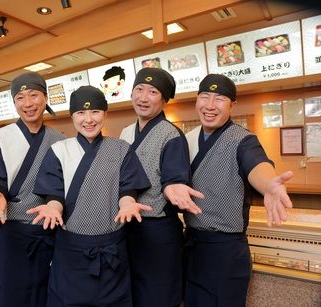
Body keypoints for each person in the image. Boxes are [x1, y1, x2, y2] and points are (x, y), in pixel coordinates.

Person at [28, 85, 152, 307]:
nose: (88, 119)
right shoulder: (59, 150)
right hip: (71, 252)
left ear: (105, 114)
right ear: (72, 116)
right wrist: (53, 208)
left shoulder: (122, 149)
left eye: (95, 111)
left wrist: (128, 203)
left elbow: (127, 189)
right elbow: (54, 194)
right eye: (81, 113)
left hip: (112, 249)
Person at [183, 73, 293, 307]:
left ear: (232, 105)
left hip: (226, 251)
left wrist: (269, 185)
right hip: (191, 247)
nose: (210, 106)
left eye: (220, 99)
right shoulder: (187, 139)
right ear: (197, 101)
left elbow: (257, 165)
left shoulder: (243, 140)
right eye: (205, 97)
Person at [0, 72, 65, 307]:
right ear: (14, 103)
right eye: (20, 98)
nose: (28, 103)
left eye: (34, 95)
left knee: (46, 291)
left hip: (50, 230)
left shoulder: (60, 140)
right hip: (13, 230)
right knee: (9, 292)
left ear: (45, 97)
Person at [120, 67, 203, 307]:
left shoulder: (171, 135)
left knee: (158, 296)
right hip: (127, 227)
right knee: (131, 292)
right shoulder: (126, 132)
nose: (143, 97)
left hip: (158, 231)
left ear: (164, 99)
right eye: (139, 89)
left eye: (153, 91)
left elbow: (174, 178)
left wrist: (174, 186)